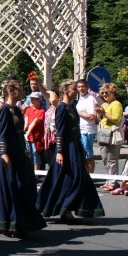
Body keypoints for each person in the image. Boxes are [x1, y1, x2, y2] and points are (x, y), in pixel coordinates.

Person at [0, 80, 47, 237]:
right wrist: (3, 153)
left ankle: (18, 220)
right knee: (11, 186)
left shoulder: (17, 110)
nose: (22, 91)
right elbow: (1, 134)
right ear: (11, 91)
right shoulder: (4, 110)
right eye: (19, 88)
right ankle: (10, 222)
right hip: (9, 154)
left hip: (19, 152)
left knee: (25, 184)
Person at [36, 79, 105, 221]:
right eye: (74, 89)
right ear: (66, 91)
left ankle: (67, 208)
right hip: (66, 147)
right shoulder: (61, 108)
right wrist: (60, 151)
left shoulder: (73, 106)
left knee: (75, 178)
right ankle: (64, 207)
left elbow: (76, 129)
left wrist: (80, 147)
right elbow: (60, 131)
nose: (76, 91)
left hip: (75, 145)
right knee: (72, 177)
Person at [96, 82, 124, 183]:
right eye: (102, 93)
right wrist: (99, 113)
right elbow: (99, 119)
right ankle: (110, 178)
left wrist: (104, 113)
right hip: (103, 133)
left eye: (106, 93)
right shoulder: (104, 104)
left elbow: (116, 119)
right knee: (104, 158)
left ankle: (113, 181)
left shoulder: (116, 104)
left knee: (112, 159)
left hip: (112, 134)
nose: (104, 95)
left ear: (113, 92)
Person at [75, 79, 99, 173]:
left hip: (87, 130)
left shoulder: (90, 98)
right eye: (79, 87)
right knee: (82, 154)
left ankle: (90, 175)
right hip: (80, 130)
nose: (81, 89)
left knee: (88, 154)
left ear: (87, 87)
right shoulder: (80, 99)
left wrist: (77, 113)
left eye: (83, 86)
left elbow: (92, 116)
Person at [24, 92, 46, 171]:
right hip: (28, 135)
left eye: (33, 99)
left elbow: (35, 122)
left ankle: (36, 174)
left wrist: (27, 133)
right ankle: (29, 172)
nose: (31, 100)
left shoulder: (42, 111)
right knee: (28, 154)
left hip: (36, 136)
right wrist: (24, 131)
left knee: (35, 154)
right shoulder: (28, 110)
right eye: (31, 99)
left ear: (39, 100)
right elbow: (26, 122)